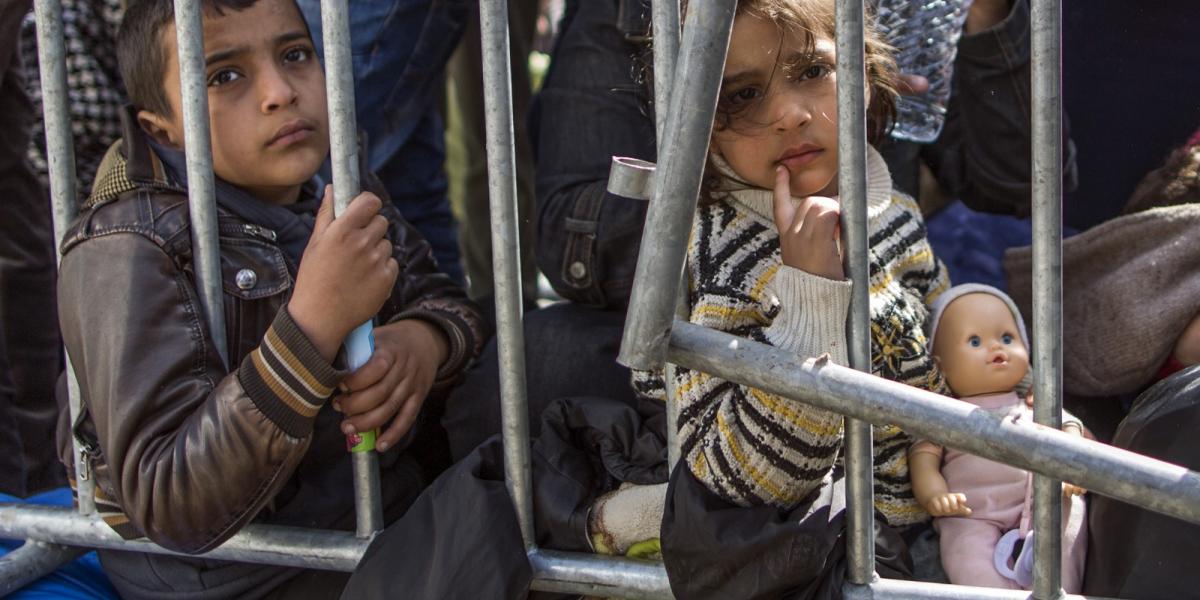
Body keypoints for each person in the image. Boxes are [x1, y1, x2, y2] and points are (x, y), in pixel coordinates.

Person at [52, 0, 485, 597]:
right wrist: (310, 327)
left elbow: (448, 303)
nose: (280, 91)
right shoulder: (126, 245)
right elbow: (167, 497)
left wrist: (425, 340)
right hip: (240, 577)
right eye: (224, 75)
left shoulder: (340, 182)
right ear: (162, 127)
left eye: (295, 55)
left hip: (372, 526)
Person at [909, 284, 1087, 592]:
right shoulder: (943, 415)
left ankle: (1062, 592)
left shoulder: (1035, 404)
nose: (996, 348)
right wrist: (933, 493)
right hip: (974, 513)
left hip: (1044, 498)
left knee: (1069, 521)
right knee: (966, 554)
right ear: (939, 365)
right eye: (975, 341)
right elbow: (923, 457)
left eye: (1007, 338)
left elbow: (1071, 428)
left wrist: (1069, 467)